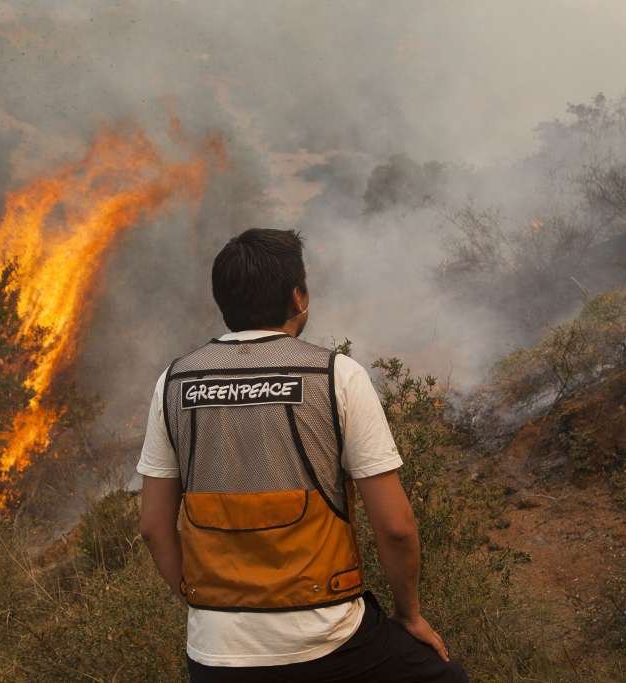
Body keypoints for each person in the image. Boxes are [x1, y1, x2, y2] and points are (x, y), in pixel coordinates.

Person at [137, 228, 468, 682]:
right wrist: (409, 615)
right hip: (326, 638)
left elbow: (154, 528)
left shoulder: (172, 383)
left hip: (214, 653)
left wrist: (210, 615)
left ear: (223, 302)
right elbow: (395, 528)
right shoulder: (336, 376)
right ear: (299, 297)